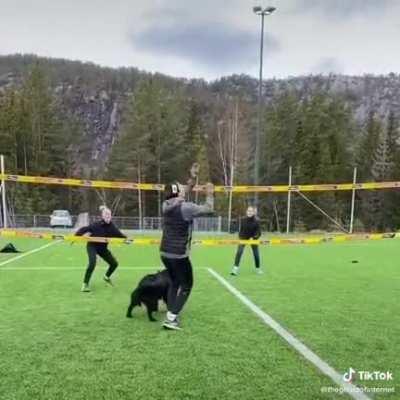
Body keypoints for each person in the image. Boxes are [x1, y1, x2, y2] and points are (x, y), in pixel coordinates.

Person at [160, 181, 214, 330]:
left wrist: (192, 179)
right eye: (182, 188)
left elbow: (179, 197)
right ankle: (171, 319)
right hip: (179, 255)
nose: (185, 189)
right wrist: (210, 193)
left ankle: (171, 312)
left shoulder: (165, 205)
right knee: (186, 286)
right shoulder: (187, 207)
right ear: (179, 193)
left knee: (174, 282)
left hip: (164, 252)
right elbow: (209, 209)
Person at [75, 206, 126, 292]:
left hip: (102, 248)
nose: (108, 216)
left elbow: (119, 234)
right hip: (92, 246)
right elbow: (84, 229)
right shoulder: (96, 224)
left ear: (111, 216)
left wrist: (126, 239)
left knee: (114, 264)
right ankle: (85, 285)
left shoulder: (112, 227)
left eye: (109, 215)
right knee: (92, 263)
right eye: (106, 215)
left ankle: (106, 277)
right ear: (102, 216)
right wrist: (75, 237)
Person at [230, 206, 263, 276]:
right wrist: (241, 238)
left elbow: (259, 232)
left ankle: (258, 269)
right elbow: (241, 231)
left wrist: (254, 237)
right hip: (243, 237)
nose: (250, 212)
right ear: (246, 212)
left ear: (254, 212)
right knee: (239, 252)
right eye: (248, 211)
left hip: (253, 239)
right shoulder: (243, 220)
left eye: (251, 211)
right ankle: (235, 269)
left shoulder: (257, 221)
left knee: (256, 254)